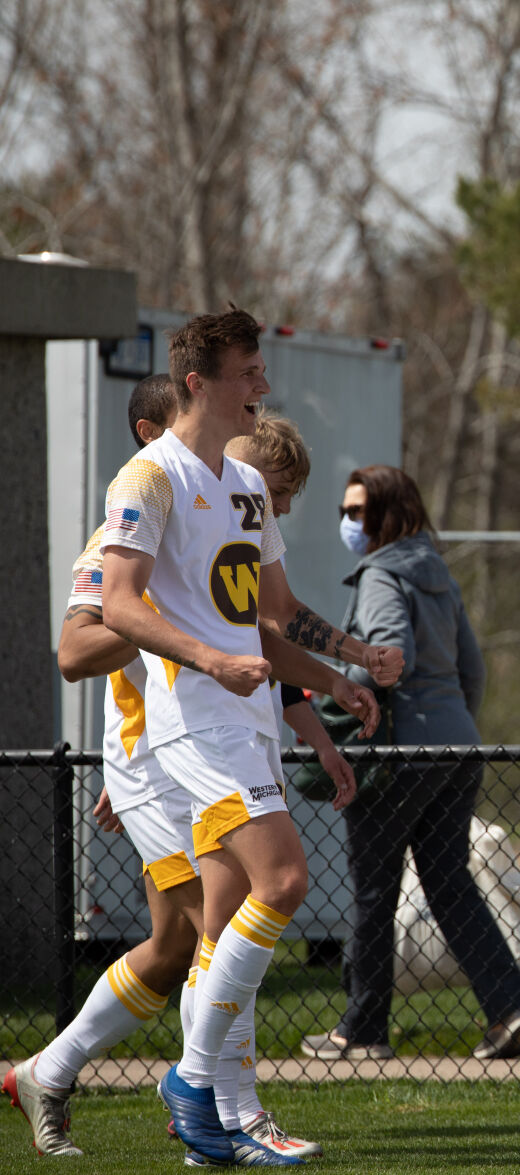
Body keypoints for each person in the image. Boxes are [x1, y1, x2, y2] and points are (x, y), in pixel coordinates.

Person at [6, 377, 368, 1164]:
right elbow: (76, 652)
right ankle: (226, 1112)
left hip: (200, 746)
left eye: (275, 499)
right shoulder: (129, 528)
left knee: (178, 947)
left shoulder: (226, 518)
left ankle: (50, 1070)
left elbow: (262, 637)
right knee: (224, 924)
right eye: (263, 490)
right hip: (157, 765)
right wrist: (175, 626)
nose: (261, 510)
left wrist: (331, 696)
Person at [98, 308, 404, 1165]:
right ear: (198, 382)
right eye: (248, 372)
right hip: (195, 724)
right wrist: (209, 661)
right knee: (286, 879)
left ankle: (223, 1124)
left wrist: (336, 676)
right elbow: (117, 605)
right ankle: (194, 1079)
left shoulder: (242, 487)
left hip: (246, 722)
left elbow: (266, 619)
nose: (263, 387)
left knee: (229, 919)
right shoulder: (148, 477)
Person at [294, 463, 520, 1064]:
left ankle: (362, 1030)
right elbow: (473, 668)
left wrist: (329, 687)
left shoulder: (381, 574)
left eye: (356, 512)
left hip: (400, 755)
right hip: (456, 749)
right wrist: (456, 724)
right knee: (451, 884)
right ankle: (511, 1009)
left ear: (385, 513)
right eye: (344, 512)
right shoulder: (436, 571)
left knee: (374, 890)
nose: (347, 523)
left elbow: (387, 653)